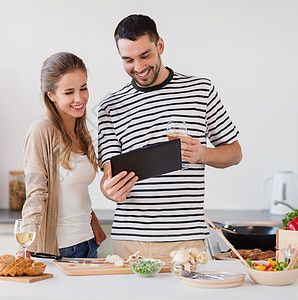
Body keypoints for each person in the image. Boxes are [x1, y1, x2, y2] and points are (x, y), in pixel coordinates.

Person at [98, 14, 243, 258]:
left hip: (187, 240)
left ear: (160, 46)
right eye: (128, 60)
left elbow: (235, 153)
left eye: (145, 55)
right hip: (131, 241)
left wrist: (202, 154)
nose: (139, 67)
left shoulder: (201, 90)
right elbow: (107, 177)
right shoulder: (110, 107)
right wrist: (109, 191)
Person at [21, 52, 106, 258]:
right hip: (59, 250)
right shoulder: (41, 131)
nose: (80, 98)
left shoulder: (82, 132)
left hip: (88, 244)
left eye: (83, 88)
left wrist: (93, 220)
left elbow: (73, 188)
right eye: (69, 92)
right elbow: (36, 193)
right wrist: (25, 245)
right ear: (51, 95)